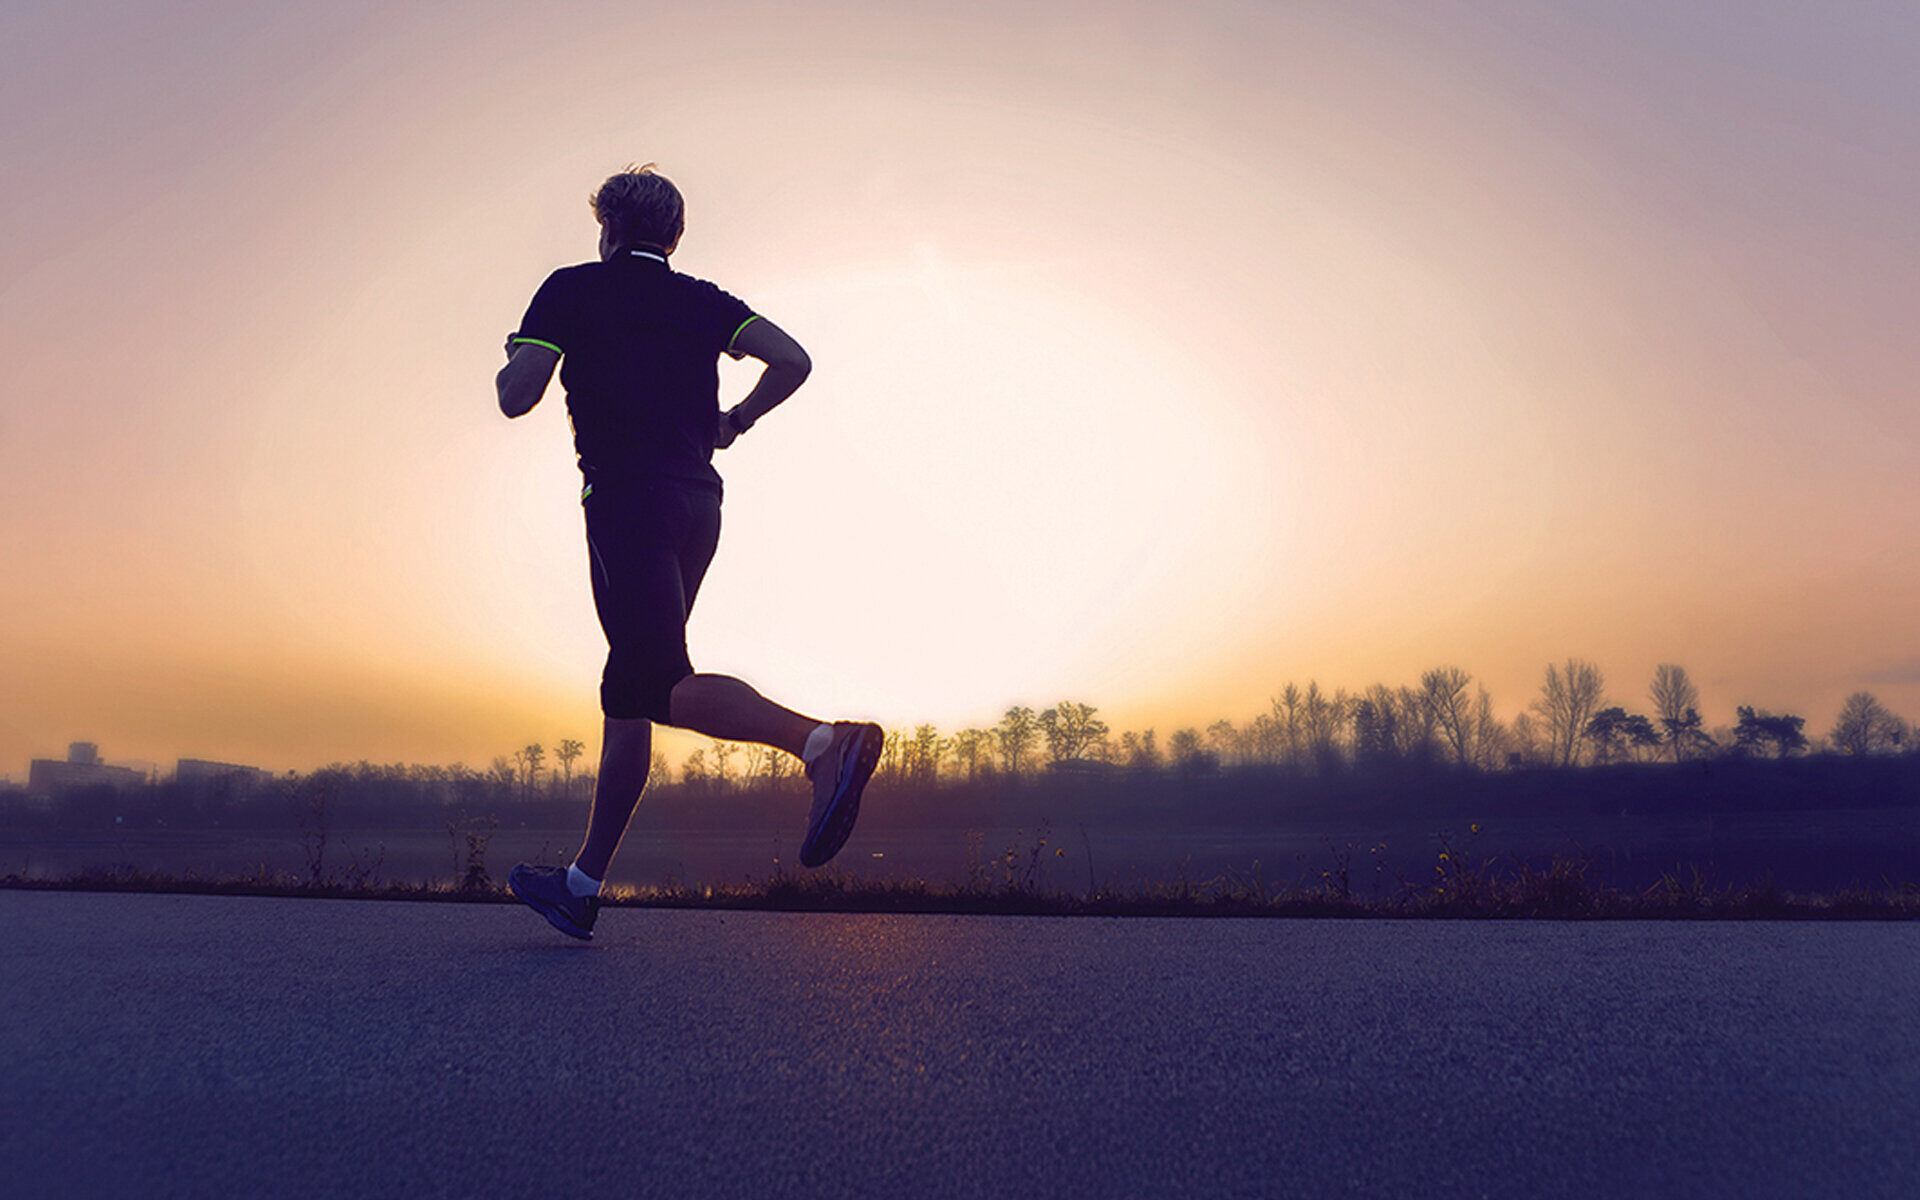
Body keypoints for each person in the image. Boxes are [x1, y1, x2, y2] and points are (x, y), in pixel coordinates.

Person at [495, 164, 882, 941]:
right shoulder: (702, 301)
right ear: (673, 237)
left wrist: (518, 353)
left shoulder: (570, 290)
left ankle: (821, 744)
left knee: (657, 679)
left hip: (625, 503)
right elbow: (793, 360)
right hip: (698, 503)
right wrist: (735, 420)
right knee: (628, 687)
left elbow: (516, 396)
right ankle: (580, 886)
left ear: (607, 228)